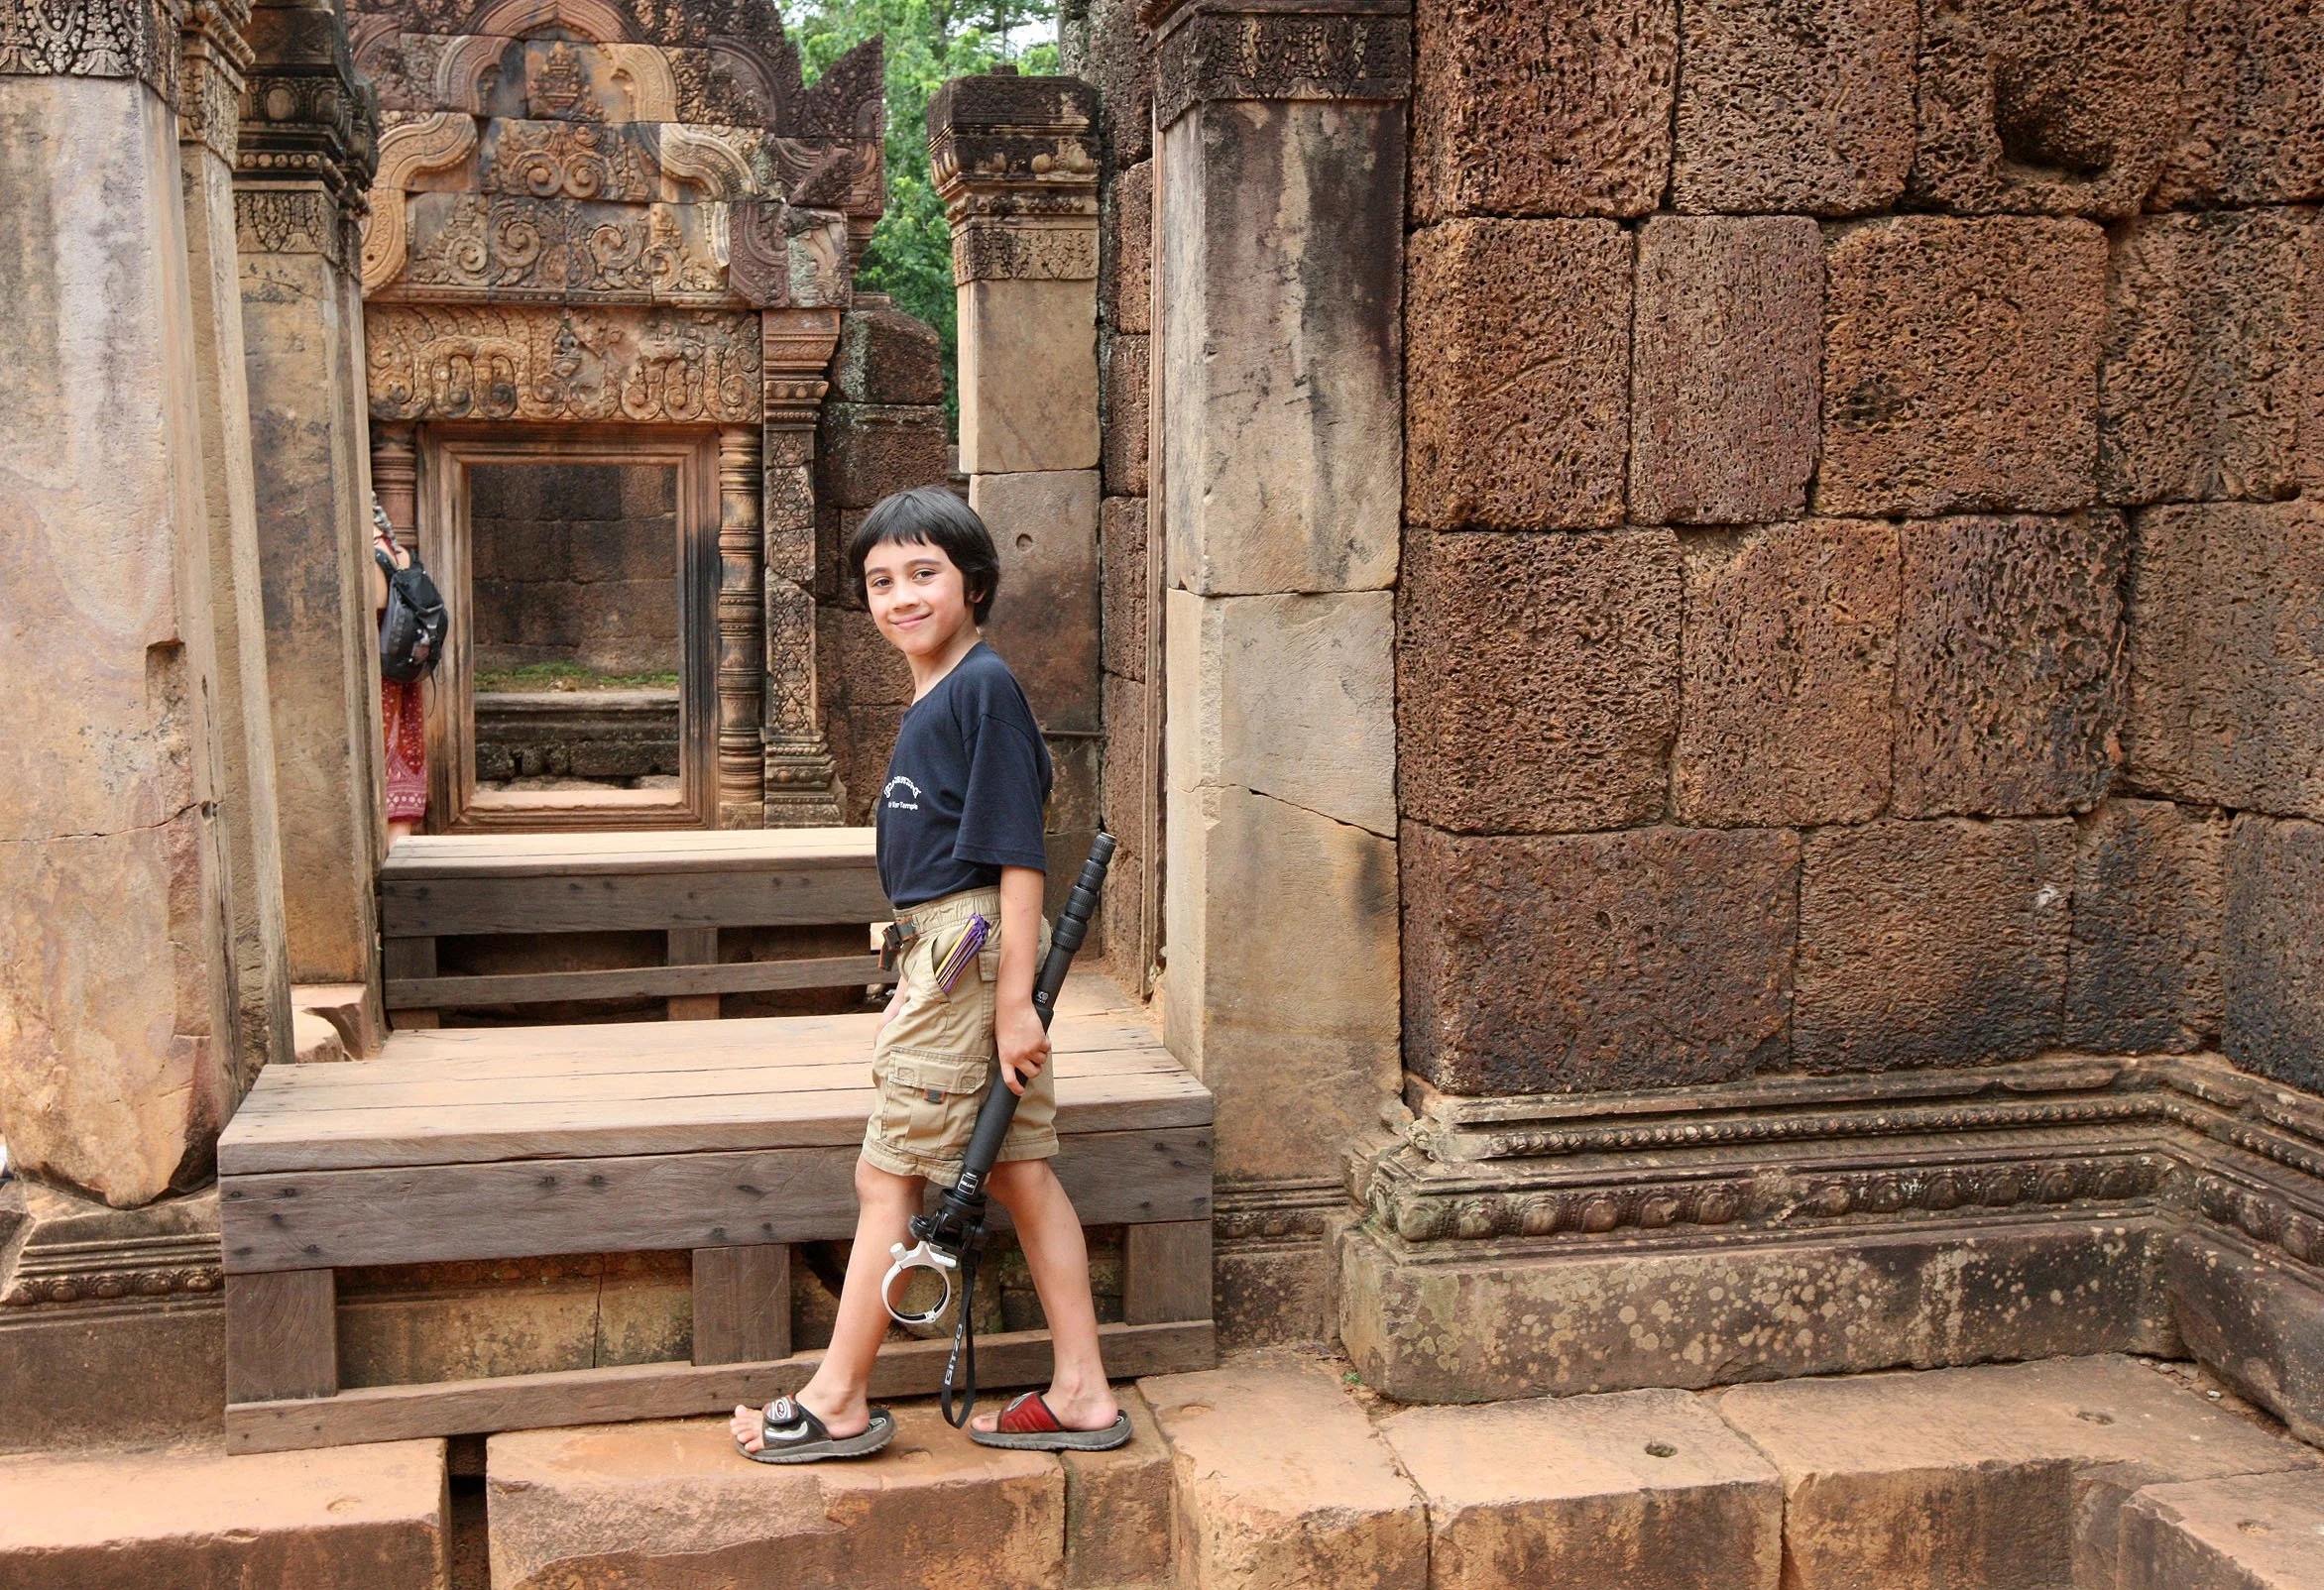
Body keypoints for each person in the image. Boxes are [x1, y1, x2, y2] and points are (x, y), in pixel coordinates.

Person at [731, 486, 1129, 1461]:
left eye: (923, 573)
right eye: (879, 579)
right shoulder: (943, 690)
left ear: (975, 583)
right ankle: (1080, 1387)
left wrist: (1006, 1004)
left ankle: (836, 1397)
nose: (900, 594)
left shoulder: (981, 687)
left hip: (965, 941)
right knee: (1022, 1171)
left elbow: (1018, 860)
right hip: (949, 945)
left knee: (885, 1173)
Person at [369, 499, 427, 846]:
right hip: (400, 675)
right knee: (398, 780)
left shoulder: (371, 554)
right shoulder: (399, 552)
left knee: (382, 770)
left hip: (377, 677)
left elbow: (375, 606)